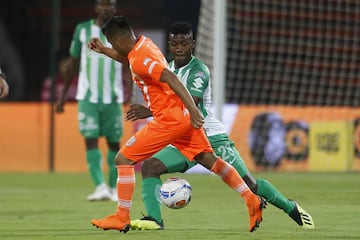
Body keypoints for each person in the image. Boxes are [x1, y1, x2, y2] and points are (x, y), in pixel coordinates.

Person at [128, 22, 315, 230]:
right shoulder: (168, 68)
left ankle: (290, 208)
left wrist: (149, 111)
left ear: (193, 44)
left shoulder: (198, 70)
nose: (179, 47)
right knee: (150, 167)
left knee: (250, 185)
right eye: (174, 43)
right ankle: (154, 220)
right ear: (170, 45)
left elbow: (192, 103)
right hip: (184, 137)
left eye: (184, 42)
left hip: (211, 136)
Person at [88, 15, 265, 234]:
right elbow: (132, 62)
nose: (113, 46)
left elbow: (170, 77)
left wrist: (193, 109)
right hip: (180, 117)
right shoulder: (144, 46)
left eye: (113, 43)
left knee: (123, 159)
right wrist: (104, 50)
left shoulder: (141, 58)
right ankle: (251, 199)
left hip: (169, 119)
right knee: (210, 160)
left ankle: (121, 216)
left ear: (120, 40)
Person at [56, 0, 131, 202]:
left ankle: (114, 189)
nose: (106, 8)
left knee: (114, 143)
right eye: (102, 4)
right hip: (88, 97)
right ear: (96, 7)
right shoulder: (82, 30)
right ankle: (100, 187)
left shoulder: (121, 31)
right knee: (90, 140)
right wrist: (62, 97)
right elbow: (72, 64)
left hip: (113, 98)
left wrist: (131, 95)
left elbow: (129, 63)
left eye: (111, 5)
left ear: (115, 8)